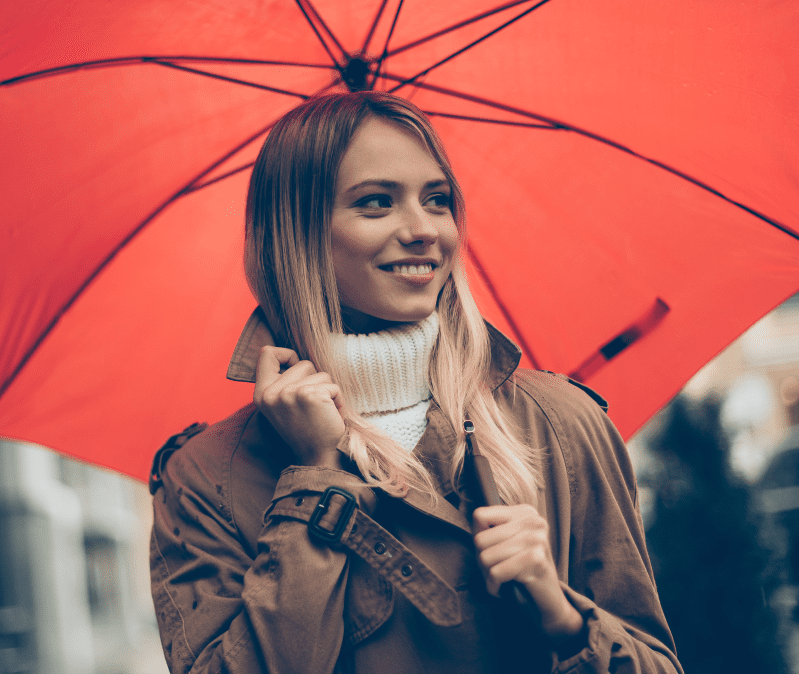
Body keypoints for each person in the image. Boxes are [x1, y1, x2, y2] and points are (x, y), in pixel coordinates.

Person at [148, 91, 682, 673]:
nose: (425, 229)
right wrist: (314, 480)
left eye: (438, 200)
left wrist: (561, 615)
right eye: (377, 203)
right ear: (296, 235)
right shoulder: (205, 480)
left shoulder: (559, 423)